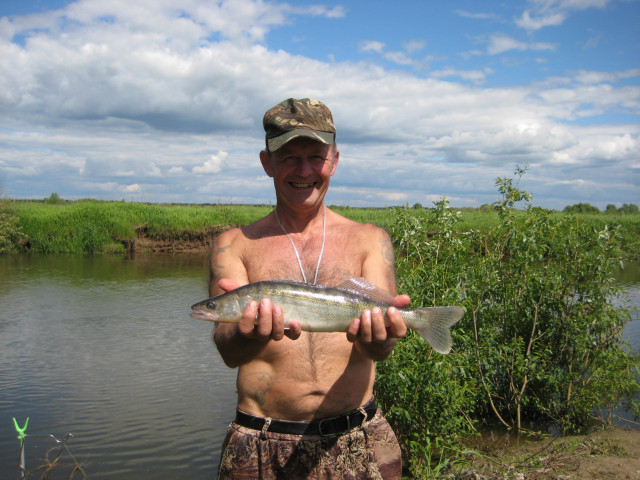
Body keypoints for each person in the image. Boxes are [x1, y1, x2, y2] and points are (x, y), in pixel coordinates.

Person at [209, 97, 410, 479]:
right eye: (288, 157)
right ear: (267, 162)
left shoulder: (371, 239)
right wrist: (246, 333)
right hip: (260, 441)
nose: (304, 170)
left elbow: (380, 350)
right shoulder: (232, 244)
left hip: (358, 436)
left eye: (315, 156)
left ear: (334, 160)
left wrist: (380, 338)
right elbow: (227, 350)